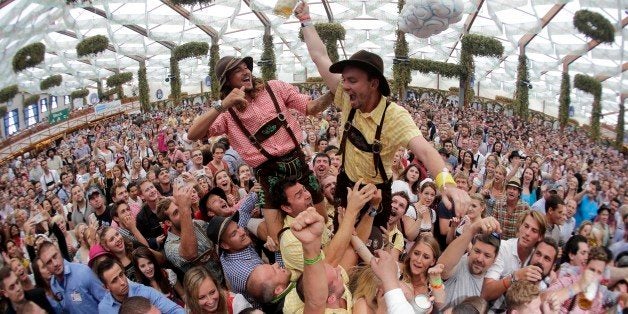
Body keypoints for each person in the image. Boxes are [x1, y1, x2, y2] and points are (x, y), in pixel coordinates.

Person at [297, 2, 470, 231]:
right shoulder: (346, 96)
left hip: (376, 193)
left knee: (371, 250)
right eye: (344, 80)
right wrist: (306, 20)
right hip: (346, 184)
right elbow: (319, 56)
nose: (344, 86)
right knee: (341, 239)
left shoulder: (395, 116)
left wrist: (447, 183)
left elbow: (426, 151)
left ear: (373, 83)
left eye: (352, 80)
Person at [187, 54, 335, 248]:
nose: (246, 71)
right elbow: (193, 134)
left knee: (321, 219)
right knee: (278, 237)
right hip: (268, 173)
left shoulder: (275, 88)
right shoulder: (227, 114)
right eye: (237, 70)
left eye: (246, 67)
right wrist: (222, 105)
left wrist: (334, 91)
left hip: (297, 162)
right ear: (227, 81)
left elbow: (312, 107)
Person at [481, 210, 546, 312]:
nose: (527, 233)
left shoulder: (537, 257)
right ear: (519, 226)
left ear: (540, 237)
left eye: (534, 230)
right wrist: (515, 277)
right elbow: (486, 293)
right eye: (526, 226)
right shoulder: (503, 248)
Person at [438, 217, 501, 308]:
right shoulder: (459, 262)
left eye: (487, 256)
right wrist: (472, 230)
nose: (479, 259)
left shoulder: (492, 279)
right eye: (477, 251)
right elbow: (442, 268)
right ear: (471, 249)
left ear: (495, 259)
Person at [95, 256, 184, 314]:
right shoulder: (104, 309)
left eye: (121, 274)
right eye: (114, 280)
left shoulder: (144, 292)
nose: (122, 282)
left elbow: (175, 310)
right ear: (106, 287)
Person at [38, 241, 107, 313]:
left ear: (60, 253)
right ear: (46, 267)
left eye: (55, 256)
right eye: (49, 262)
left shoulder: (82, 272)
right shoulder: (53, 285)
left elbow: (105, 300)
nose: (55, 263)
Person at [183, 265, 252, 314]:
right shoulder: (190, 308)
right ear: (192, 299)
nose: (210, 301)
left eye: (212, 292)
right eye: (202, 297)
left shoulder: (237, 304)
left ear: (217, 286)